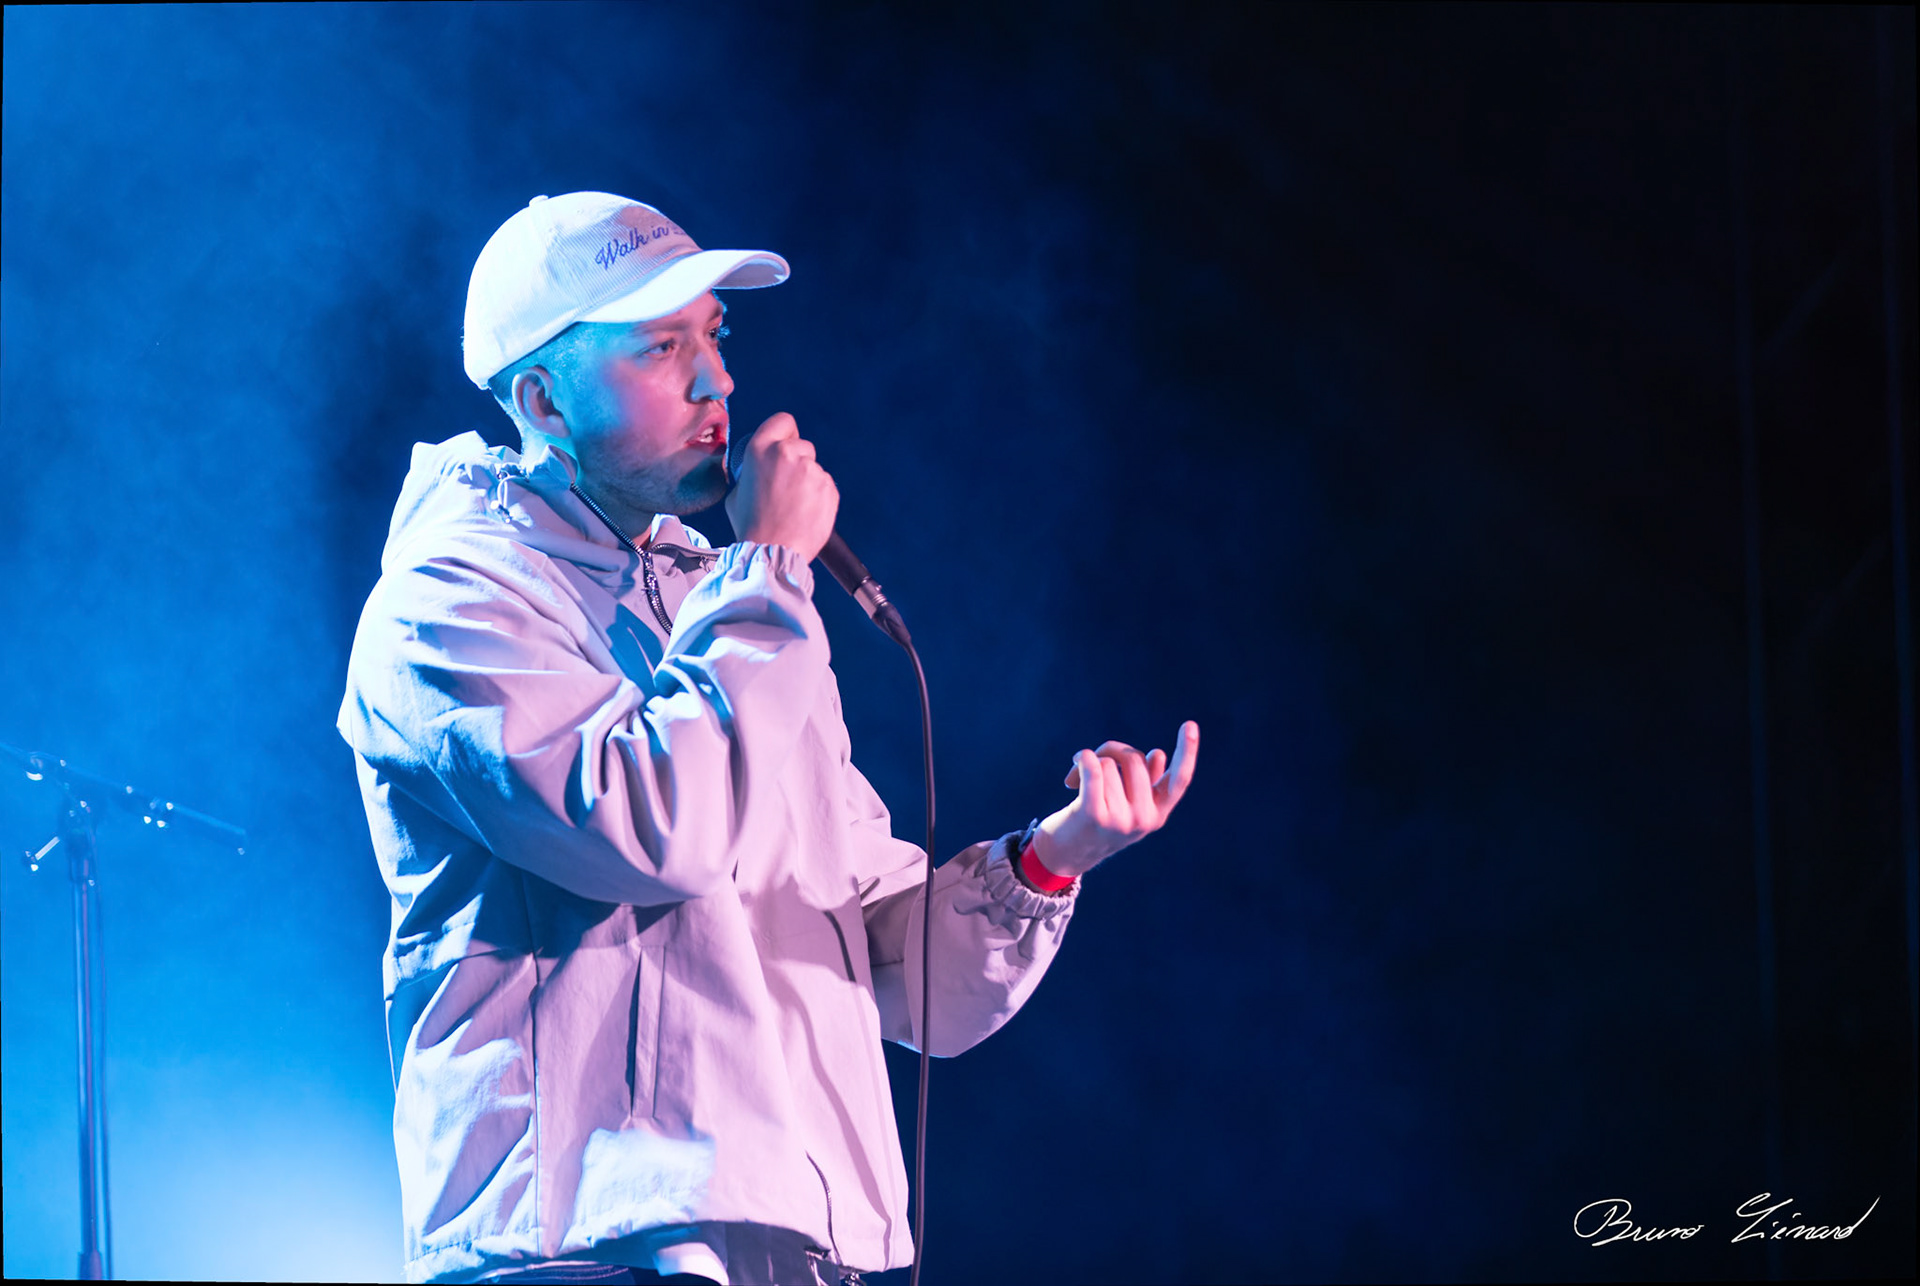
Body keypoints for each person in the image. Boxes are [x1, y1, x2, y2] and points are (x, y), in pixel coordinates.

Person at [337, 191, 1199, 1286]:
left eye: (714, 336)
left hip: (787, 1248)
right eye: (662, 346)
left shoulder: (728, 597)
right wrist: (770, 571)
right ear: (545, 399)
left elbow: (877, 956)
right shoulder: (449, 601)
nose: (718, 382)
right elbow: (654, 831)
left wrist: (1049, 858)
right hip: (582, 1248)